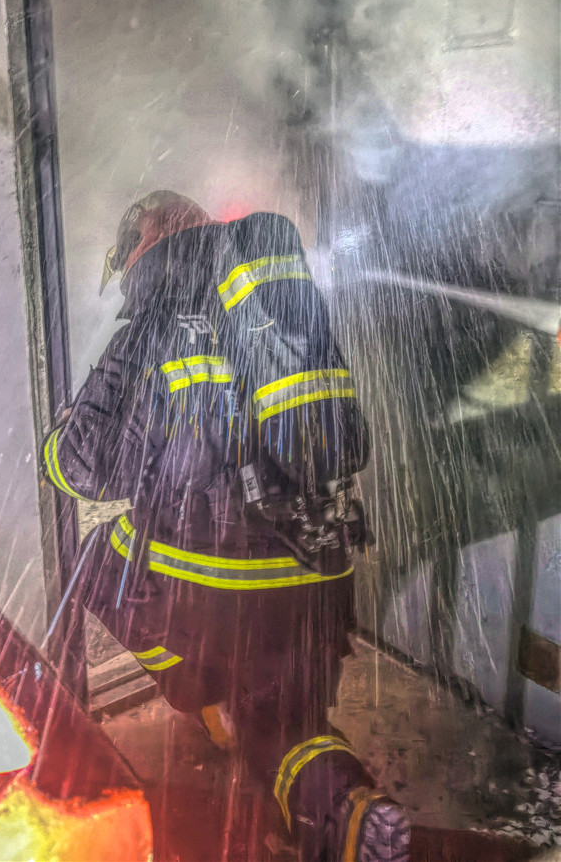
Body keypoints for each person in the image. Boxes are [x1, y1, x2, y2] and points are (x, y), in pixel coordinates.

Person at [42, 191, 410, 862]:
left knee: (96, 556)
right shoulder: (270, 311)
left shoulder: (149, 333)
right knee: (287, 728)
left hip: (214, 599)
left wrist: (60, 435)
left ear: (144, 249)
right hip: (316, 586)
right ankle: (349, 808)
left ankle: (200, 689)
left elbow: (88, 470)